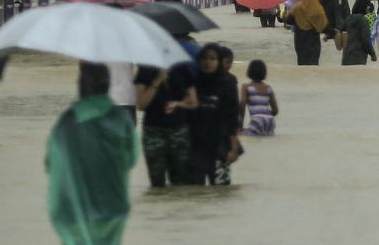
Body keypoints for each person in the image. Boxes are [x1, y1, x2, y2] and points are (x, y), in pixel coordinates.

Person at [46, 63, 137, 245]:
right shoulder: (121, 120)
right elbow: (130, 159)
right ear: (107, 85)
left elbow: (50, 164)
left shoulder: (66, 122)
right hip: (111, 209)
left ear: (80, 85)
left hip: (72, 212)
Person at [133, 59, 197, 187]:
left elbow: (193, 101)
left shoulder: (181, 67)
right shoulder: (145, 69)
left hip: (179, 130)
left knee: (181, 182)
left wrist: (178, 104)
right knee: (157, 183)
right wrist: (157, 80)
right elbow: (141, 104)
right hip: (153, 130)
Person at [189, 44, 240, 185]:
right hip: (196, 146)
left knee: (221, 191)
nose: (208, 62)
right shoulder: (193, 82)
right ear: (199, 60)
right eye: (204, 58)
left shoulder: (228, 84)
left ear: (219, 61)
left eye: (212, 59)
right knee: (194, 190)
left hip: (220, 145)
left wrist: (234, 147)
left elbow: (233, 116)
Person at [286, 0, 329, 65]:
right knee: (313, 63)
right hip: (314, 40)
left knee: (302, 62)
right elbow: (324, 26)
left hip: (300, 39)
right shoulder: (318, 9)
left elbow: (289, 21)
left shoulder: (297, 7)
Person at [240, 60, 278, 136]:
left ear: (249, 72)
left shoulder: (246, 87)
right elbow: (275, 110)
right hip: (270, 121)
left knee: (240, 135)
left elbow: (242, 106)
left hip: (257, 120)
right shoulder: (268, 88)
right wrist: (265, 116)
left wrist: (240, 126)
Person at [343, 0, 378, 65]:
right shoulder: (363, 20)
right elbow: (365, 40)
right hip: (359, 57)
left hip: (346, 57)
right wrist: (372, 54)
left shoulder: (348, 19)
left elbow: (339, 31)